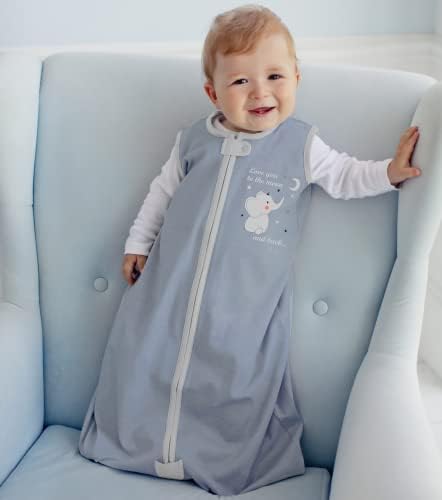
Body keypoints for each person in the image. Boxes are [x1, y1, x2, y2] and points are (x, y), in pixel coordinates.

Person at [79, 4, 421, 496]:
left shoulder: (299, 144)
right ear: (213, 93)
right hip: (169, 288)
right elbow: (161, 194)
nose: (260, 92)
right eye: (240, 82)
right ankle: (138, 445)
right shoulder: (193, 140)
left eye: (275, 76)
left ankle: (211, 456)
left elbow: (345, 175)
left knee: (232, 378)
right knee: (146, 359)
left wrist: (389, 172)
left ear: (296, 78)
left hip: (244, 303)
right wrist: (138, 241)